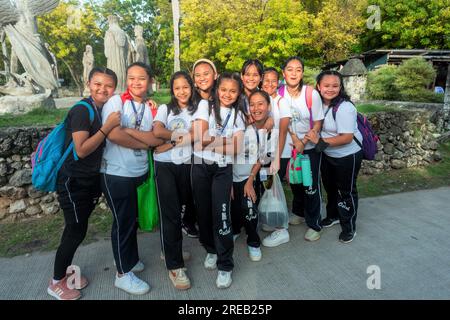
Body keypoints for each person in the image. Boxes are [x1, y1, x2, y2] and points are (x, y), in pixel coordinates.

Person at [47, 67, 121, 300]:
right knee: (75, 230)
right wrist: (107, 127)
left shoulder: (101, 109)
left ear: (114, 88)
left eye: (108, 85)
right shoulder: (82, 110)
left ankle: (66, 271)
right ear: (89, 83)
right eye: (98, 84)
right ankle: (56, 282)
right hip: (72, 180)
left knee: (78, 228)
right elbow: (81, 150)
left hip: (89, 180)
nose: (103, 89)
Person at [101, 62, 163, 295]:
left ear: (150, 81)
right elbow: (114, 134)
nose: (136, 83)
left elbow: (156, 139)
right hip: (116, 172)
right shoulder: (117, 102)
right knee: (122, 222)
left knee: (131, 221)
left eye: (141, 78)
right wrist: (144, 140)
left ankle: (131, 258)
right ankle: (122, 274)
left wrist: (136, 135)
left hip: (138, 173)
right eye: (131, 78)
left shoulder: (149, 108)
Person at [262, 56, 324, 247]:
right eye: (290, 69)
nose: (294, 73)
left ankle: (314, 224)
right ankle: (297, 212)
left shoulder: (310, 93)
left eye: (298, 70)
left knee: (310, 185)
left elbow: (318, 121)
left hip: (308, 149)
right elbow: (282, 119)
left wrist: (303, 141)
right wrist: (294, 138)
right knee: (289, 183)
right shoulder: (278, 92)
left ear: (302, 73)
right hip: (283, 149)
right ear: (284, 73)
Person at [192, 72, 246, 289]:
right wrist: (224, 141)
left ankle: (225, 266)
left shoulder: (238, 115)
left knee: (222, 215)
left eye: (233, 91)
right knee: (203, 214)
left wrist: (210, 141)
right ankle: (211, 250)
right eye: (223, 90)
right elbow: (198, 139)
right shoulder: (205, 106)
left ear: (239, 93)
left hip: (223, 170)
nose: (227, 94)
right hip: (201, 168)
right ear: (216, 90)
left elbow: (237, 148)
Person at [152, 71, 200, 290]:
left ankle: (169, 248)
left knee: (180, 211)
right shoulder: (165, 109)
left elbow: (198, 135)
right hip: (165, 165)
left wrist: (169, 141)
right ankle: (175, 266)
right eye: (177, 87)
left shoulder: (199, 109)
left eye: (185, 87)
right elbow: (157, 130)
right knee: (170, 214)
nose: (181, 91)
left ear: (191, 88)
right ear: (172, 90)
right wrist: (177, 141)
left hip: (188, 165)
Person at [307, 70, 363, 243]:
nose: (330, 89)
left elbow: (346, 138)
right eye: (326, 85)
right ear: (318, 86)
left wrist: (319, 141)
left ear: (340, 87)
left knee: (345, 191)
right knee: (330, 187)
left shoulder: (345, 107)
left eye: (335, 86)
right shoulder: (319, 104)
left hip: (348, 155)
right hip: (328, 153)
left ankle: (349, 226)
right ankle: (333, 216)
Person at [231, 90, 285, 262]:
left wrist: (250, 179)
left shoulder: (270, 131)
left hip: (251, 176)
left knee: (249, 207)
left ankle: (254, 242)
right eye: (252, 104)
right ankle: (235, 230)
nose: (256, 108)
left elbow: (263, 157)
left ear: (269, 107)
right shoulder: (240, 126)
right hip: (232, 176)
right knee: (234, 208)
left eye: (260, 104)